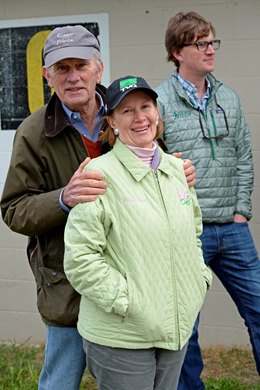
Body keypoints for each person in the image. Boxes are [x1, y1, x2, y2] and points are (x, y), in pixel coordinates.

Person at [0, 25, 195, 390]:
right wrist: (64, 198)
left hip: (135, 281)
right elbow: (14, 210)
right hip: (69, 282)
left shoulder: (129, 109)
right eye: (62, 68)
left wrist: (175, 172)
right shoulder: (33, 132)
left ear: (98, 68)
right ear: (47, 76)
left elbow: (155, 162)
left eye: (81, 65)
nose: (73, 77)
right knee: (61, 381)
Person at [64, 75, 212, 390]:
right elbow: (80, 259)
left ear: (157, 113)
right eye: (127, 111)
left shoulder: (176, 170)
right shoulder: (98, 173)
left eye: (145, 106)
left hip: (174, 328)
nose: (140, 117)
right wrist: (129, 302)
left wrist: (198, 280)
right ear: (112, 122)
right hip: (123, 334)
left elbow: (194, 231)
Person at [155, 11, 260, 389]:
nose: (210, 49)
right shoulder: (159, 102)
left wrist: (240, 212)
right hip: (187, 233)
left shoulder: (228, 97)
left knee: (259, 310)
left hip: (233, 232)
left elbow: (244, 157)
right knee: (188, 328)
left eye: (213, 41)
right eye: (200, 43)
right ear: (177, 51)